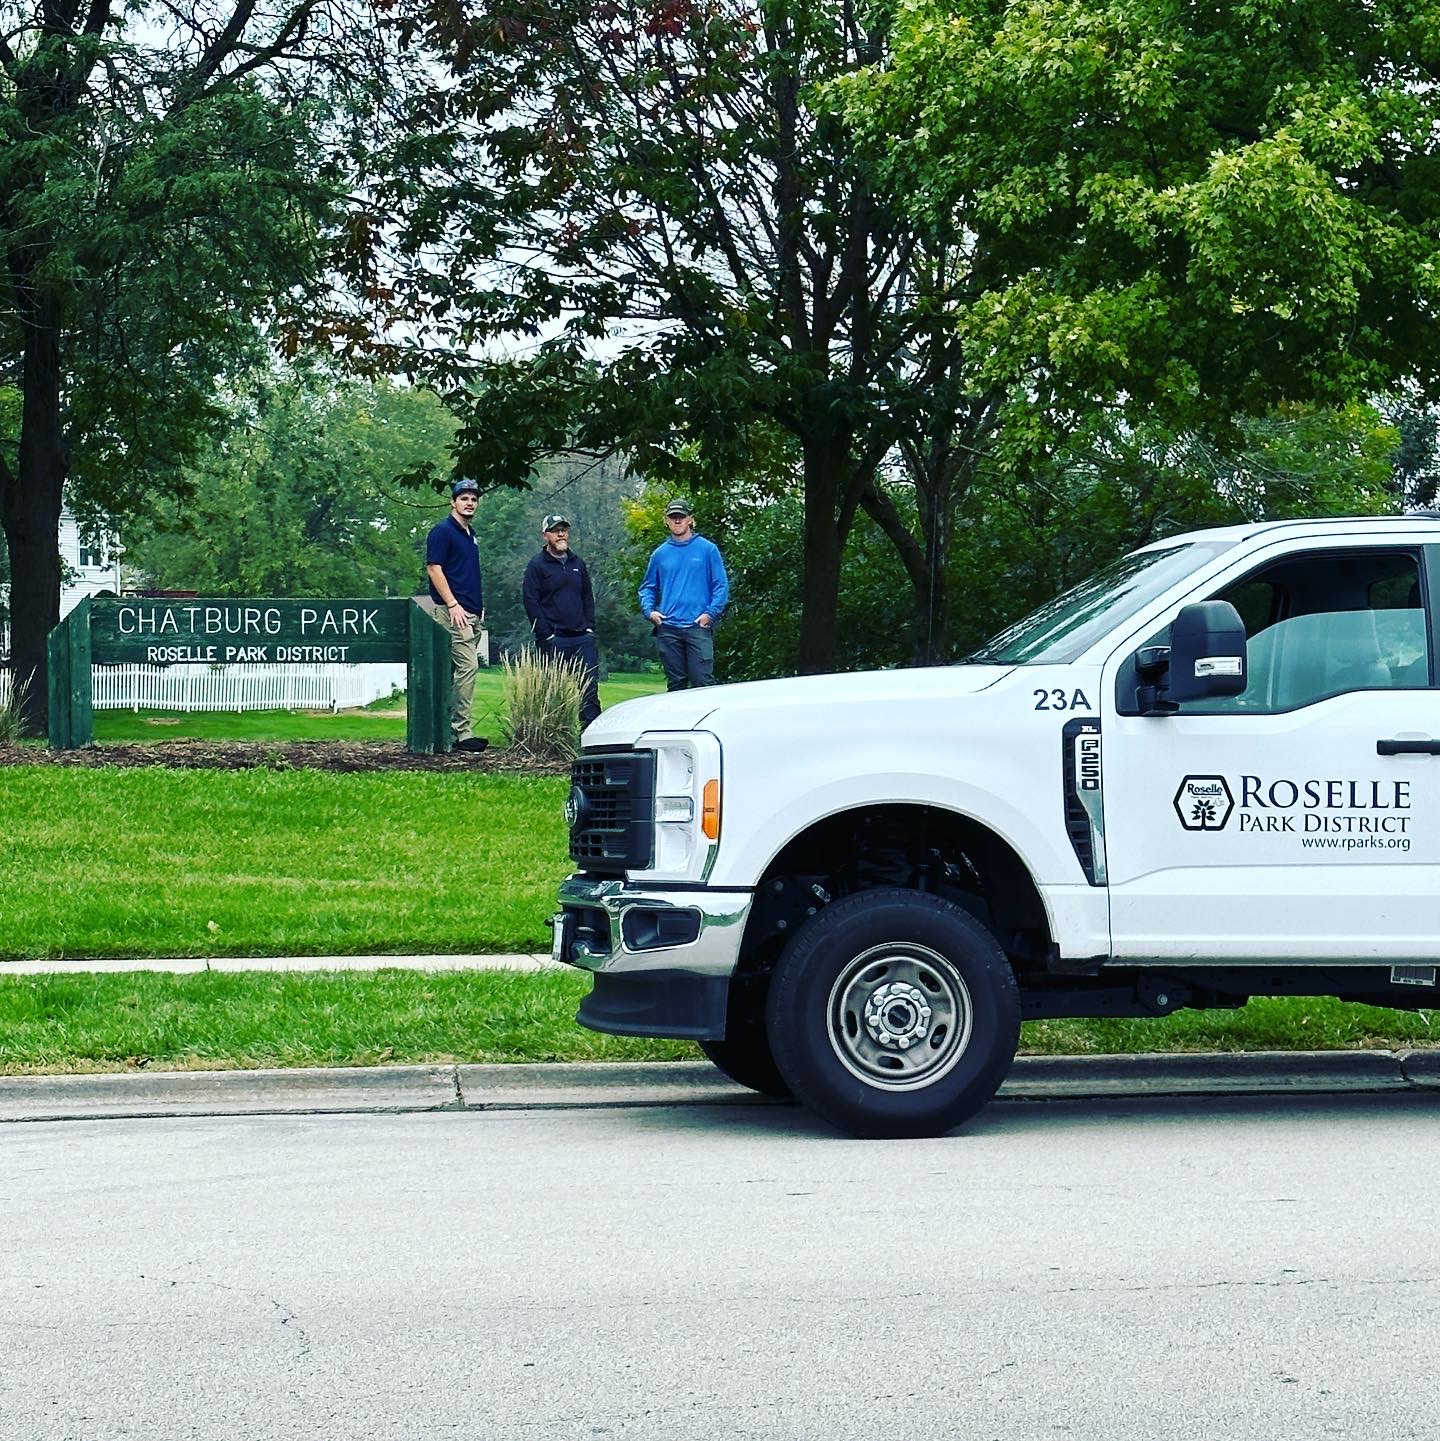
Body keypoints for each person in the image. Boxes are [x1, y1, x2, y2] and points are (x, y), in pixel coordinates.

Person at [425, 478, 489, 753]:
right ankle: (462, 733)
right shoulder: (443, 531)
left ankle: (440, 730)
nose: (470, 503)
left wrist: (478, 607)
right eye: (464, 498)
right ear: (453, 502)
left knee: (451, 672)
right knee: (467, 667)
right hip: (453, 613)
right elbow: (434, 569)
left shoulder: (469, 534)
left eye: (474, 499)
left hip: (472, 613)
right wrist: (452, 604)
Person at [638, 499, 729, 690]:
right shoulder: (660, 554)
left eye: (681, 517)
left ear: (690, 520)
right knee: (676, 685)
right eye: (673, 517)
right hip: (668, 628)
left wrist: (710, 614)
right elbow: (647, 587)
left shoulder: (708, 550)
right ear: (667, 521)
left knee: (703, 682)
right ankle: (678, 721)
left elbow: (720, 586)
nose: (677, 521)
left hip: (698, 626)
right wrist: (650, 612)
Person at [523, 512, 602, 728]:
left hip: (581, 637)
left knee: (589, 687)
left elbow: (587, 597)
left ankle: (590, 735)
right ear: (545, 535)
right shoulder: (537, 565)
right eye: (556, 531)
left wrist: (589, 628)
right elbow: (531, 601)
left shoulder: (578, 563)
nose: (561, 534)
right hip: (554, 638)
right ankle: (554, 734)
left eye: (564, 530)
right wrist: (545, 634)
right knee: (552, 690)